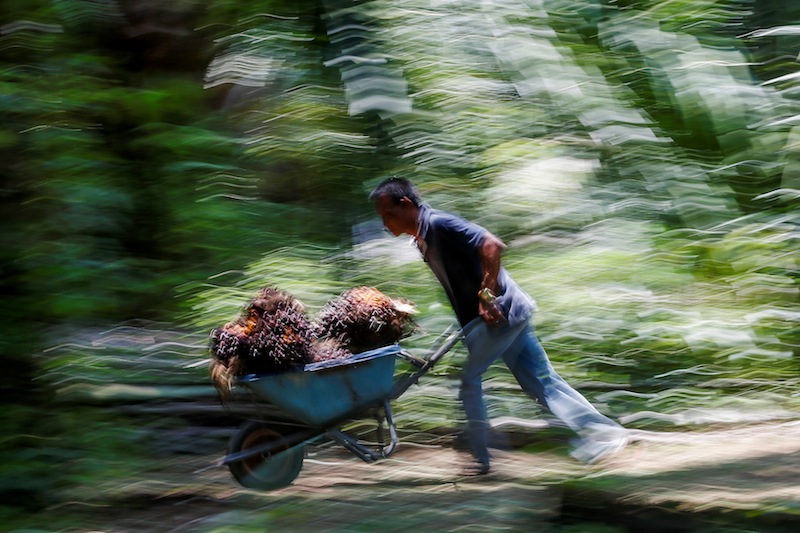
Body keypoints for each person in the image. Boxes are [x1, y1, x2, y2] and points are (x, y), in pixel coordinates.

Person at [370, 177, 628, 475]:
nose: (385, 223)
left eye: (388, 214)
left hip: (501, 314)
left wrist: (486, 295)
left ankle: (481, 459)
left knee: (469, 380)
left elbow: (491, 245)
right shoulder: (424, 239)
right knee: (541, 383)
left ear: (406, 205)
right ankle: (605, 433)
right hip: (502, 316)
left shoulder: (440, 224)